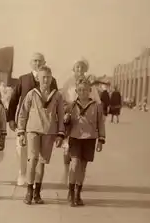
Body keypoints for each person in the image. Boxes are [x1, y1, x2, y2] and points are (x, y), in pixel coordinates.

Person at [7, 52, 58, 186]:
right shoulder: (23, 79)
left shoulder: (51, 80)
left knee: (38, 152)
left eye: (40, 61)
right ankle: (22, 173)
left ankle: (35, 178)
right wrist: (11, 118)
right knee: (22, 149)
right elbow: (13, 100)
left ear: (44, 63)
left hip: (43, 123)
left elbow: (56, 102)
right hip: (25, 120)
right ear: (30, 63)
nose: (37, 63)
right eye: (34, 61)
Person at [17, 66, 65, 205]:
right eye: (43, 77)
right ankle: (29, 191)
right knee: (32, 159)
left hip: (49, 131)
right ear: (37, 78)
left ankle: (37, 192)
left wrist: (60, 134)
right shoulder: (32, 94)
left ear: (51, 79)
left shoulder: (57, 95)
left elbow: (61, 115)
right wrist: (21, 131)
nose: (46, 80)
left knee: (42, 162)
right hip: (33, 130)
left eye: (48, 77)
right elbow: (23, 113)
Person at [64, 78, 105, 207]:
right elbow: (65, 123)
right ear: (76, 91)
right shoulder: (71, 106)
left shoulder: (96, 106)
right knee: (74, 164)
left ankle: (78, 193)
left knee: (82, 167)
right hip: (75, 137)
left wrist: (101, 140)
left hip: (89, 139)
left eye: (85, 90)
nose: (82, 92)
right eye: (80, 90)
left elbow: (101, 124)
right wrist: (66, 120)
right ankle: (70, 192)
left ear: (90, 91)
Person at [59, 59, 101, 185]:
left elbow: (97, 102)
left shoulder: (90, 84)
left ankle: (78, 179)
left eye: (82, 67)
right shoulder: (68, 83)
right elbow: (62, 100)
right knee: (67, 149)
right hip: (71, 117)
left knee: (82, 156)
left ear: (85, 69)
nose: (79, 70)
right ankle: (67, 171)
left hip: (86, 121)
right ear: (73, 68)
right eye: (77, 67)